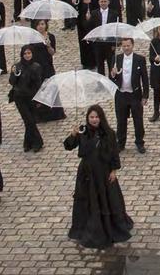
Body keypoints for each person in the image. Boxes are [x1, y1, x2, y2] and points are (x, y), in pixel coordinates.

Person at [64, 105, 133, 249]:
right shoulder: (82, 131)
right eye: (91, 117)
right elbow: (68, 146)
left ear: (101, 118)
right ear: (88, 118)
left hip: (103, 173)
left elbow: (114, 153)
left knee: (109, 200)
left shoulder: (109, 133)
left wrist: (114, 170)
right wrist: (73, 134)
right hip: (87, 173)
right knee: (87, 201)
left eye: (96, 117)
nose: (94, 120)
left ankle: (109, 226)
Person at [110, 38, 149, 153]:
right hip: (121, 95)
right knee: (121, 120)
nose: (126, 48)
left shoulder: (140, 59)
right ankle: (121, 143)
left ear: (132, 45)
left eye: (128, 45)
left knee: (138, 120)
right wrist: (112, 74)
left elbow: (145, 78)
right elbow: (112, 77)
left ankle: (139, 142)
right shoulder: (116, 58)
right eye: (124, 46)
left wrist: (145, 95)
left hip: (135, 94)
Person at [8, 45, 44, 152]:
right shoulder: (17, 66)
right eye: (25, 53)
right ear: (22, 55)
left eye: (29, 53)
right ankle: (38, 142)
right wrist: (14, 74)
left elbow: (38, 84)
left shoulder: (36, 66)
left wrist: (39, 99)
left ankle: (28, 142)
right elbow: (12, 82)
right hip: (19, 97)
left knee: (30, 121)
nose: (27, 55)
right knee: (28, 120)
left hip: (31, 97)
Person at [31, 19, 66, 122]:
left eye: (42, 24)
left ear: (46, 25)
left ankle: (55, 112)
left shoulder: (51, 36)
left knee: (51, 87)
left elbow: (52, 52)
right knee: (39, 88)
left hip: (47, 65)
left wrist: (48, 45)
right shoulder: (33, 37)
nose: (40, 26)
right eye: (38, 24)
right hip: (37, 66)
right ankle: (41, 113)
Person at [88, 0, 120, 75]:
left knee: (111, 64)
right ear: (99, 2)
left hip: (109, 43)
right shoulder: (94, 13)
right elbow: (89, 27)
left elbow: (117, 29)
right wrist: (88, 19)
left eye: (105, 1)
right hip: (98, 42)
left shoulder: (114, 14)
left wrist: (114, 43)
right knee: (100, 66)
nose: (103, 3)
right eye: (101, 1)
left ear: (108, 2)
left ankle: (112, 81)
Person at [75, 0, 97, 71]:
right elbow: (76, 11)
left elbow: (97, 11)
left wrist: (91, 17)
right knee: (83, 44)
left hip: (92, 25)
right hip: (81, 25)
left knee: (92, 44)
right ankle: (84, 62)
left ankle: (93, 63)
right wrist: (74, 4)